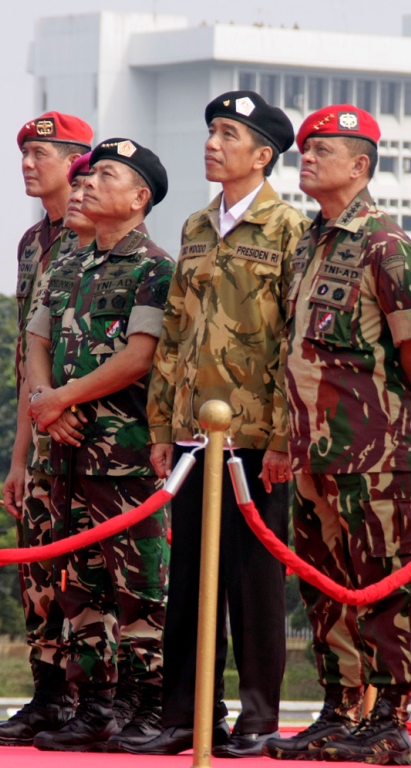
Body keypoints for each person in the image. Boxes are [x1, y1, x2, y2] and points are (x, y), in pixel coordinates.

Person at [264, 104, 411, 766]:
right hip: (312, 449)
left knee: (385, 582)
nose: (306, 158)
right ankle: (340, 708)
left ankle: (389, 717)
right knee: (326, 585)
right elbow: (295, 349)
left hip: (375, 451)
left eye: (323, 150)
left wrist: (398, 409)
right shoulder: (309, 242)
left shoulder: (386, 247)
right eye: (304, 150)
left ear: (360, 165)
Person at [134, 90, 307, 757]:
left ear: (262, 154)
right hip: (191, 435)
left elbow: (296, 341)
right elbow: (174, 333)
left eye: (228, 134)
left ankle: (259, 720)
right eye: (211, 131)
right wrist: (159, 428)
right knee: (190, 584)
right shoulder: (196, 228)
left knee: (254, 584)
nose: (213, 143)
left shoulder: (288, 228)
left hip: (257, 441)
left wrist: (287, 436)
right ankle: (187, 713)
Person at [25, 138, 174, 752]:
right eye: (82, 178)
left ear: (139, 198)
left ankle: (148, 706)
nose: (83, 185)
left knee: (138, 585)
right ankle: (94, 705)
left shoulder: (154, 268)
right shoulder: (64, 264)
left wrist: (64, 398)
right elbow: (35, 340)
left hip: (126, 453)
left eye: (102, 177)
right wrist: (43, 400)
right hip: (65, 453)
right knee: (79, 582)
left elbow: (140, 358)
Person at [0, 111, 92, 748]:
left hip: (89, 427)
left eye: (41, 152)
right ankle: (48, 694)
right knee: (38, 568)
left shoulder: (100, 232)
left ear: (77, 157)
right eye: (24, 152)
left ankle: (93, 698)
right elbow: (29, 356)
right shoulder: (32, 243)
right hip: (42, 426)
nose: (28, 163)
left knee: (88, 572)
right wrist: (19, 457)